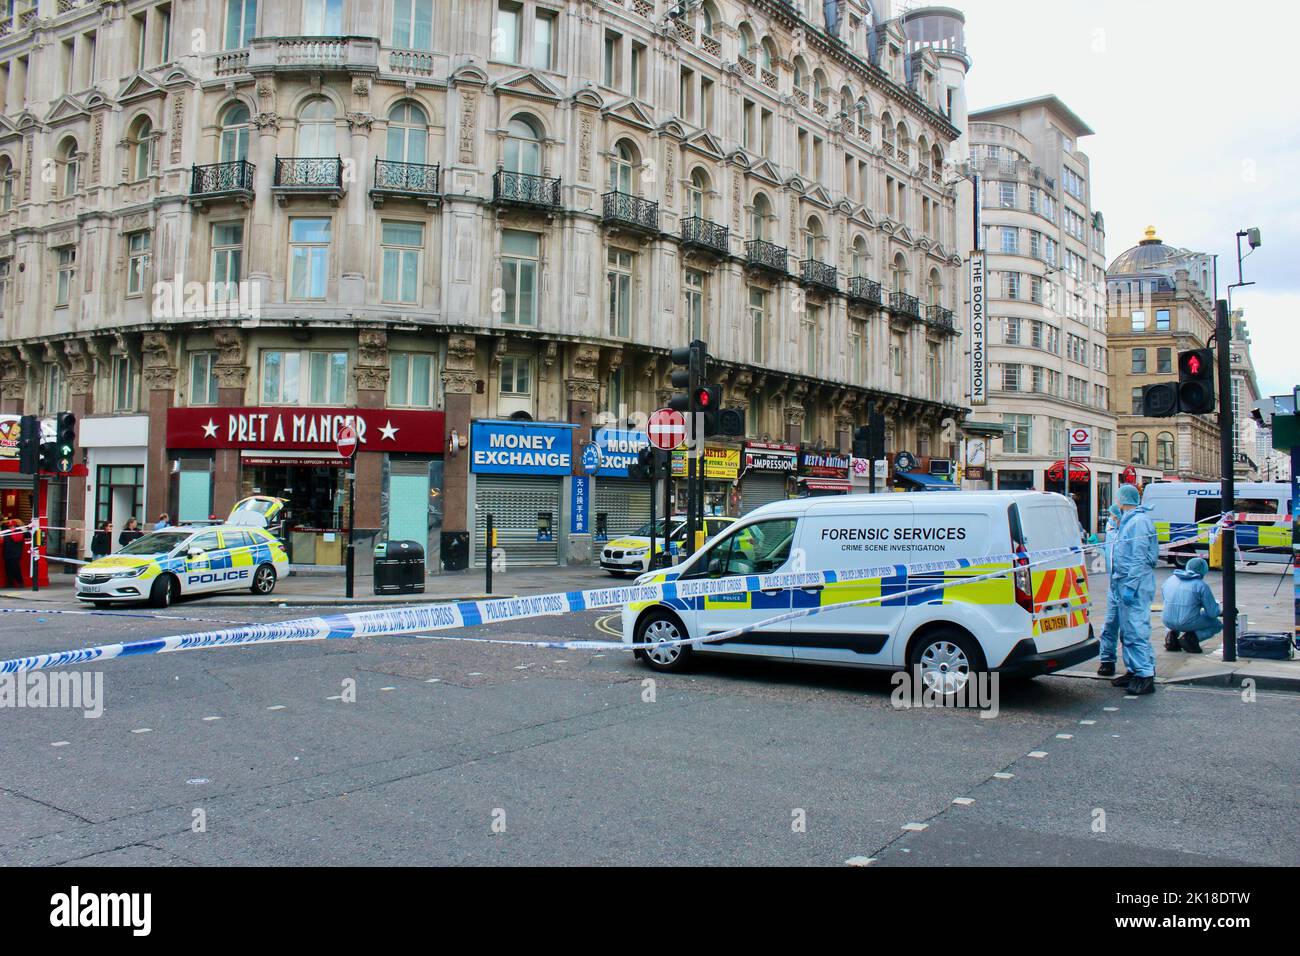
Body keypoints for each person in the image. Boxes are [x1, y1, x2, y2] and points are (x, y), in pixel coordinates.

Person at [1109, 482, 1159, 695]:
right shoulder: (1130, 521)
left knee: (1136, 629)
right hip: (1126, 581)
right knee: (1128, 630)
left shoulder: (1137, 522)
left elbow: (1138, 557)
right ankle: (1134, 670)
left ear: (1122, 500)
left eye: (1117, 497)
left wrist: (1130, 585)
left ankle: (1145, 675)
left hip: (1135, 583)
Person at [1161, 557, 1221, 654]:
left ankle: (1170, 637)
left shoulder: (1171, 579)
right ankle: (1191, 638)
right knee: (1217, 624)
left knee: (1175, 612)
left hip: (1167, 620)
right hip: (1186, 621)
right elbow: (1212, 613)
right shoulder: (1201, 585)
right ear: (1204, 571)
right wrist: (1218, 608)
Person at [1096, 503, 1123, 677]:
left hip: (1130, 585)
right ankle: (1106, 660)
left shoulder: (1133, 528)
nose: (1112, 520)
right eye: (1112, 517)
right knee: (1110, 624)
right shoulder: (1111, 530)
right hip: (1114, 583)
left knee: (1132, 629)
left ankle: (1138, 669)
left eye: (1115, 517)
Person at [3, 518, 25, 588]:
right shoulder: (7, 532)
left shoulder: (18, 532)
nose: (10, 527)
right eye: (9, 526)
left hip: (15, 554)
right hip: (8, 554)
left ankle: (20, 582)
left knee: (15, 569)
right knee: (8, 569)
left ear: (15, 526)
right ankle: (10, 583)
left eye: (11, 526)